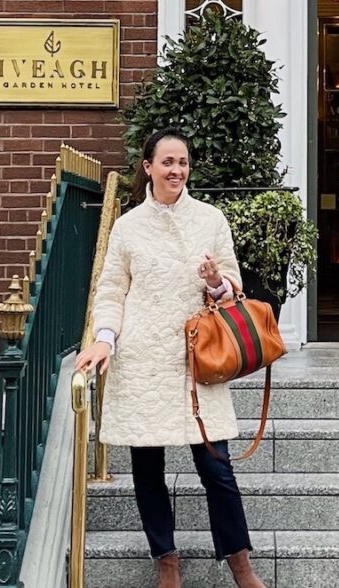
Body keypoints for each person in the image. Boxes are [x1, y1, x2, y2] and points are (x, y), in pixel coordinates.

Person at [75, 130, 265, 588]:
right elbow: (112, 289)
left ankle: (241, 564)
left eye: (182, 162)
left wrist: (216, 280)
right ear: (148, 166)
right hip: (141, 359)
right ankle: (166, 561)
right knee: (147, 469)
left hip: (198, 359)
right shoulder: (127, 226)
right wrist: (104, 338)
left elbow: (234, 288)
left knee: (216, 467)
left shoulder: (211, 219)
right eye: (167, 162)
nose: (176, 170)